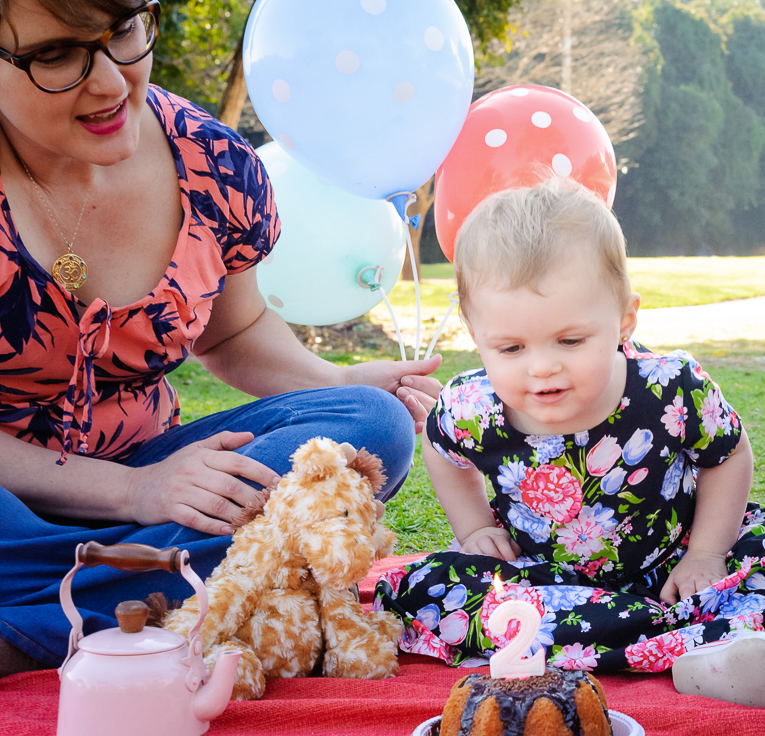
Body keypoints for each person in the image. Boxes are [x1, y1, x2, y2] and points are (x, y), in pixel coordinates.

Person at [0, 0, 443, 677]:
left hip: (155, 473)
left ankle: (40, 618)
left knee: (365, 428)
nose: (113, 83)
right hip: (27, 508)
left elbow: (234, 333)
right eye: (57, 55)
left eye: (122, 32)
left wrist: (333, 382)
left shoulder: (209, 158)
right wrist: (135, 496)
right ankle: (153, 591)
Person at [374, 179, 765, 707]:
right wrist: (475, 527)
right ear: (473, 330)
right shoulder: (473, 405)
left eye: (570, 341)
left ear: (623, 319)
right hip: (547, 581)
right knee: (434, 590)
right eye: (511, 347)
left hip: (676, 562)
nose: (542, 366)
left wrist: (707, 553)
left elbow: (727, 455)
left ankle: (692, 647)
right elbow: (440, 446)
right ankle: (694, 646)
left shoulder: (670, 386)